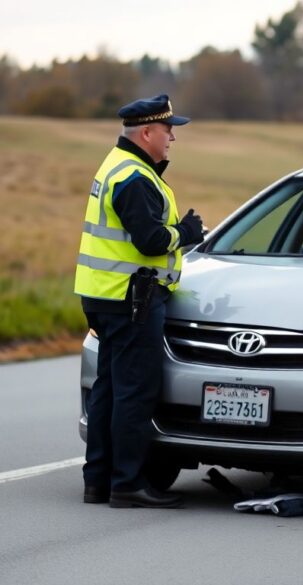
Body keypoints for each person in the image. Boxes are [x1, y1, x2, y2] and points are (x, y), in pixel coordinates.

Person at [74, 94, 204, 508]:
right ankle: (128, 483)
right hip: (132, 299)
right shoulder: (134, 177)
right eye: (168, 131)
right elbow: (150, 241)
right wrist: (187, 232)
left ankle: (98, 481)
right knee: (134, 392)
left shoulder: (117, 164)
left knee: (109, 390)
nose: (172, 139)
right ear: (147, 133)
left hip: (104, 295)